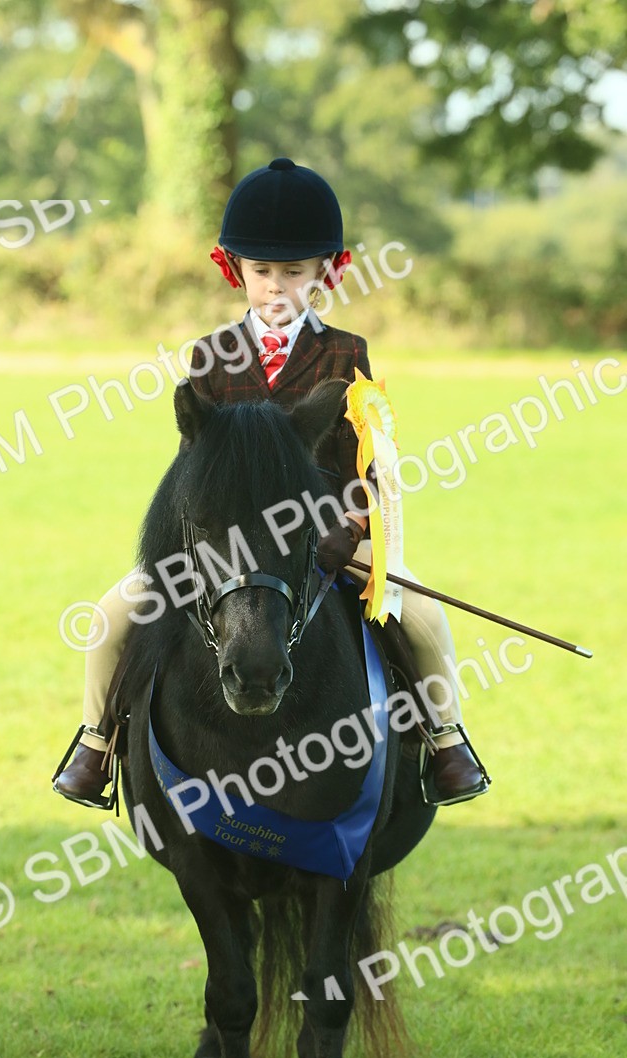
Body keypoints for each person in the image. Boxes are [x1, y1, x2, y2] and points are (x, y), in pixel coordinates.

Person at [54, 157, 488, 808]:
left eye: (294, 273)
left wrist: (344, 534)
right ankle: (97, 746)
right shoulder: (210, 356)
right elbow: (190, 471)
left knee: (424, 613)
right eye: (263, 273)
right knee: (109, 617)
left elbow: (359, 462)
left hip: (322, 542)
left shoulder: (345, 354)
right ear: (237, 272)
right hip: (221, 547)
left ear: (325, 274)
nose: (277, 289)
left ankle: (446, 743)